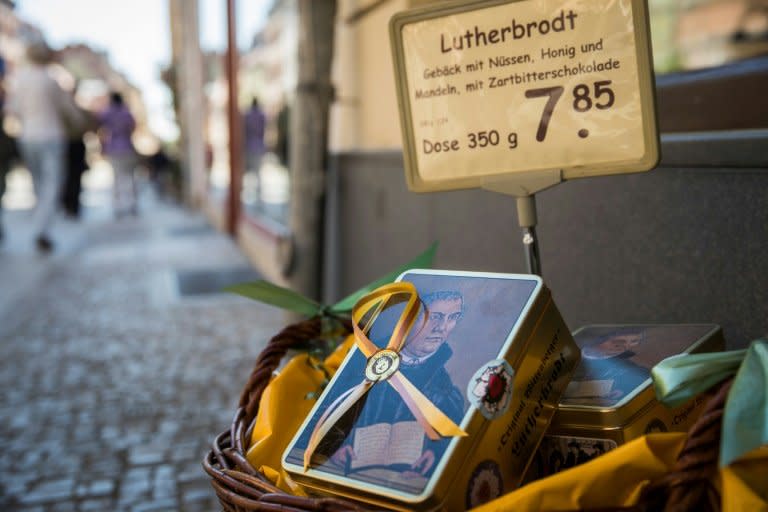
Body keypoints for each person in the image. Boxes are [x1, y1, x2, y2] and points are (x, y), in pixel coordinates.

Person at [327, 291, 465, 483]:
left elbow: (454, 442)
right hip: (343, 479)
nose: (442, 328)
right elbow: (323, 418)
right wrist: (334, 447)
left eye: (453, 318)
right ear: (409, 319)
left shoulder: (444, 386)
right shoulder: (359, 362)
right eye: (435, 317)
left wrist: (435, 455)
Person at [5, 41, 81, 252]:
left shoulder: (20, 80)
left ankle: (41, 225)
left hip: (28, 137)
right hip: (51, 136)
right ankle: (42, 229)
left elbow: (13, 110)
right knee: (52, 184)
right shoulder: (52, 79)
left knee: (39, 185)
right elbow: (70, 109)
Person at [564, 328, 650, 406]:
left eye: (634, 341)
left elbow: (642, 376)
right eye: (619, 341)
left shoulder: (627, 360)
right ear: (597, 340)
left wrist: (622, 389)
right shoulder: (568, 358)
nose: (626, 347)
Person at [98, 91, 137, 217]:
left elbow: (98, 125)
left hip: (113, 148)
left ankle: (118, 206)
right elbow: (133, 127)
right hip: (127, 147)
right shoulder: (126, 113)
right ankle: (131, 204)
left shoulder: (107, 113)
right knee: (129, 178)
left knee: (116, 178)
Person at [60, 82, 94, 218]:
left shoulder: (78, 109)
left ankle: (72, 206)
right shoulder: (66, 109)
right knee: (68, 176)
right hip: (67, 144)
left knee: (73, 176)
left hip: (75, 144)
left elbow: (89, 125)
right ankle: (69, 205)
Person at [243, 97, 265, 205]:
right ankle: (257, 193)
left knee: (250, 171)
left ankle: (251, 193)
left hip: (249, 145)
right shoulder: (261, 115)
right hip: (258, 146)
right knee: (257, 171)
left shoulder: (247, 116)